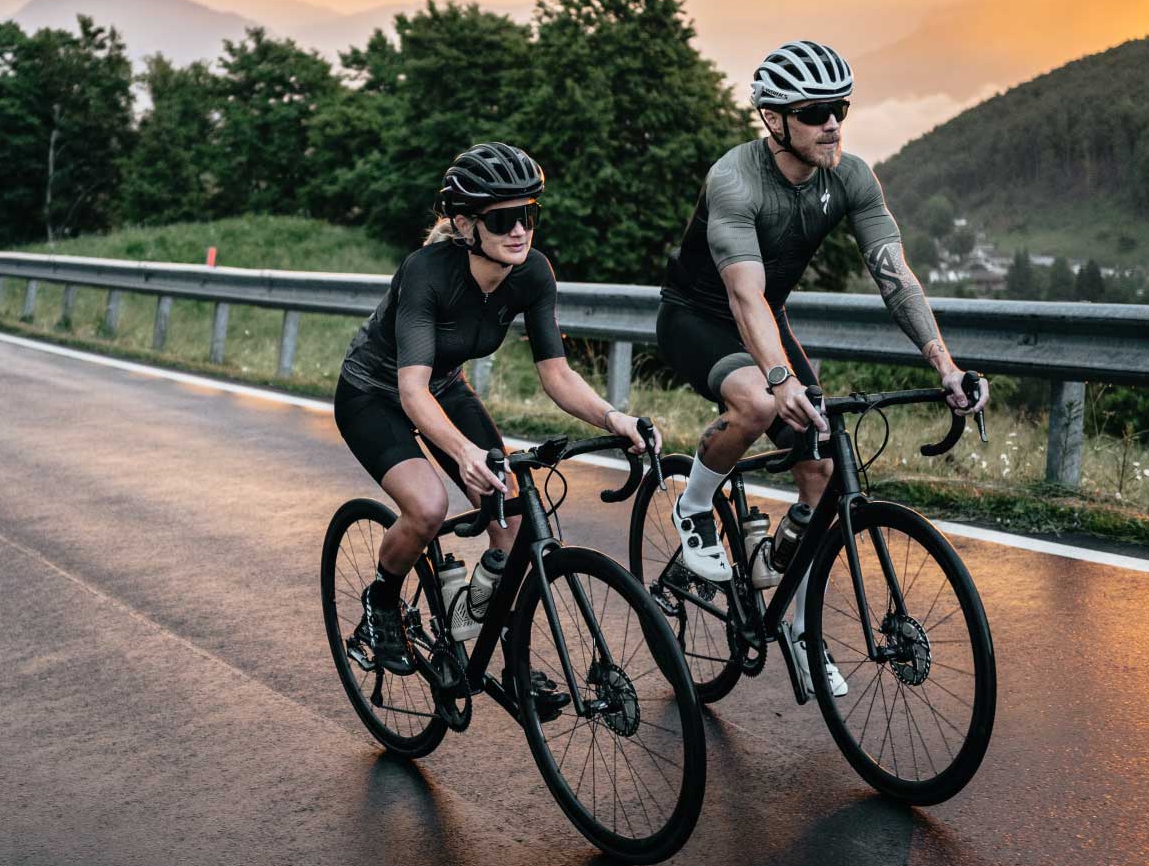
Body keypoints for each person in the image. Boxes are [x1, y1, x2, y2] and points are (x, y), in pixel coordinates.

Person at [655, 41, 984, 675]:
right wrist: (779, 379)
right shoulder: (735, 179)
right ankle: (694, 504)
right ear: (774, 119)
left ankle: (801, 631)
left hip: (766, 321)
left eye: (840, 108)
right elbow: (744, 294)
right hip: (698, 317)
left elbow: (895, 277)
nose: (831, 123)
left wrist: (945, 367)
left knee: (824, 467)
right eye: (813, 112)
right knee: (757, 404)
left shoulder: (851, 177)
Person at [338, 142, 654, 673]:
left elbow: (557, 374)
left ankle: (501, 649)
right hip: (373, 394)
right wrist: (464, 452)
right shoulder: (427, 272)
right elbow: (411, 391)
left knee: (511, 517)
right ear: (465, 225)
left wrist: (613, 417)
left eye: (528, 214)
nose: (520, 230)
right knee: (428, 507)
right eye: (503, 219)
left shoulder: (533, 273)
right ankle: (382, 604)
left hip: (445, 389)